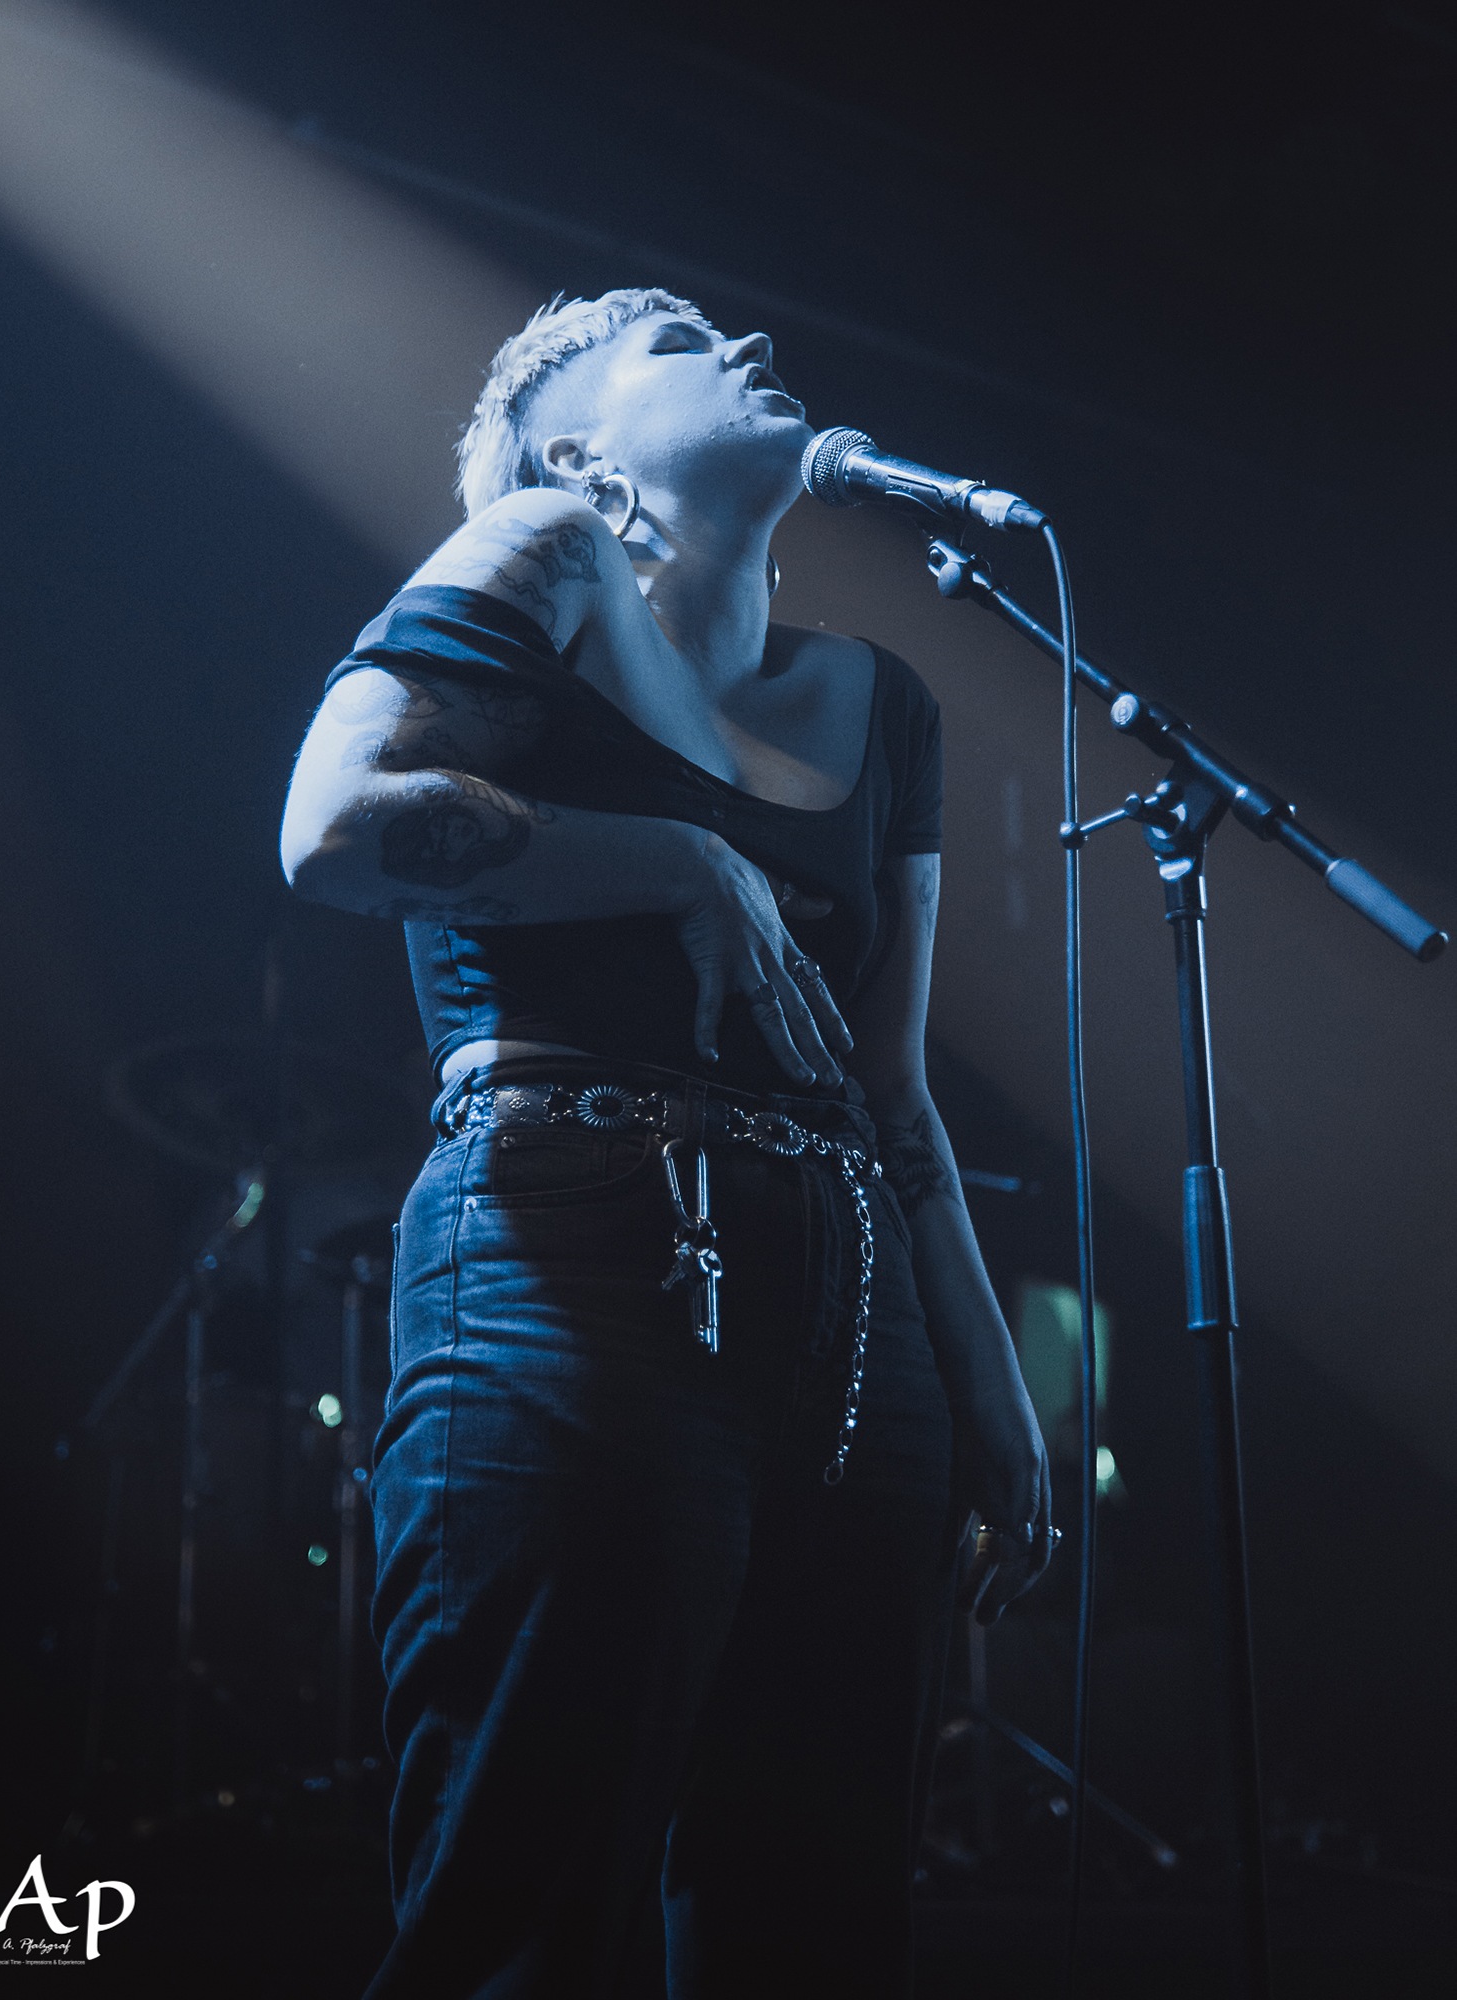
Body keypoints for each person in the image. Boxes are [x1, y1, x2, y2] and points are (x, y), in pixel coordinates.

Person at [280, 288, 1052, 1998]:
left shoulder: (885, 703)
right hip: (572, 1257)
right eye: (681, 345)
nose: (749, 345)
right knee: (534, 1902)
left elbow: (892, 1086)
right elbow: (332, 826)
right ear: (578, 454)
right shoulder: (544, 552)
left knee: (814, 1916)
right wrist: (674, 860)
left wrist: (991, 1384)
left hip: (860, 1328)